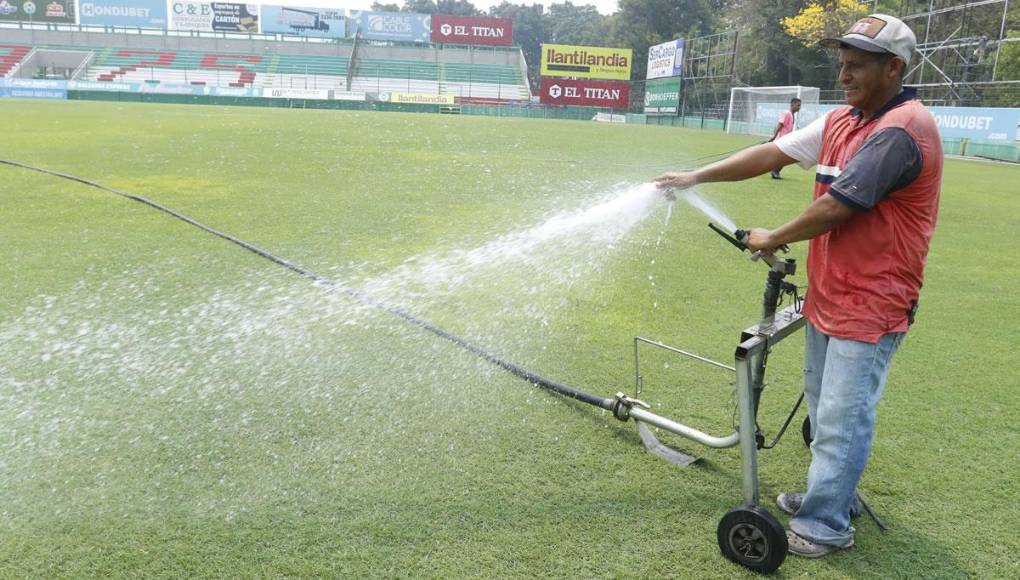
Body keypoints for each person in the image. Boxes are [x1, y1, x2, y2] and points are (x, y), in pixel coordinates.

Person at [653, 13, 942, 559]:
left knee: (841, 416)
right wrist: (695, 177)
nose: (844, 74)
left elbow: (840, 205)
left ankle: (826, 524)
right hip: (830, 292)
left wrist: (774, 235)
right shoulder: (844, 120)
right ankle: (828, 494)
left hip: (872, 300)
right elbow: (773, 153)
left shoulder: (901, 130)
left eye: (856, 65)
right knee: (823, 406)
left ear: (894, 68)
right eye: (841, 63)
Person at [768, 98, 802, 179]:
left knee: (784, 157)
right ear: (792, 105)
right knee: (784, 157)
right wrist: (774, 136)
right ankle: (774, 171)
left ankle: (775, 171)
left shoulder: (792, 115)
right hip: (781, 140)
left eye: (800, 105)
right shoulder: (786, 113)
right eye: (798, 105)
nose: (799, 107)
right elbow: (780, 125)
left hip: (786, 140)